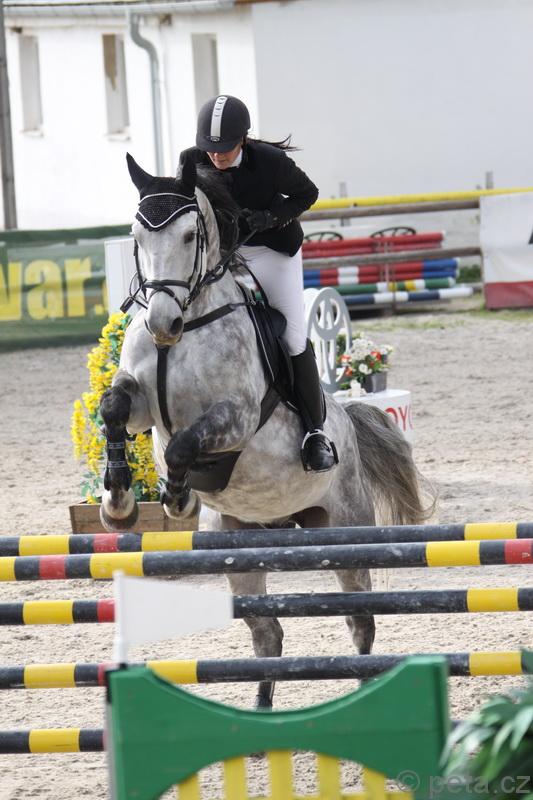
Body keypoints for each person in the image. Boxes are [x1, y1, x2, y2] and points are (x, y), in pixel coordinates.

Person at [179, 94, 337, 473]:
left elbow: (307, 194)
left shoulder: (271, 161)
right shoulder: (191, 160)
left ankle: (315, 432)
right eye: (210, 148)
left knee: (293, 337)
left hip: (271, 252)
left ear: (243, 139)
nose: (216, 155)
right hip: (223, 256)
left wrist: (270, 217)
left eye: (224, 148)